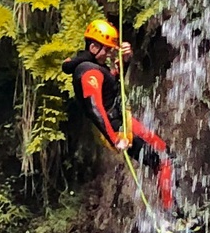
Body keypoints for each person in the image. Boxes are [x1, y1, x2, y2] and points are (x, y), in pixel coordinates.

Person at [65, 16, 174, 208]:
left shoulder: (94, 67)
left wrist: (124, 62)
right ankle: (171, 216)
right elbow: (95, 109)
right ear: (93, 47)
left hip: (124, 119)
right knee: (162, 162)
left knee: (165, 154)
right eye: (106, 49)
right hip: (118, 128)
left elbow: (111, 86)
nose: (107, 53)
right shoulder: (89, 73)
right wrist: (115, 139)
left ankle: (173, 209)